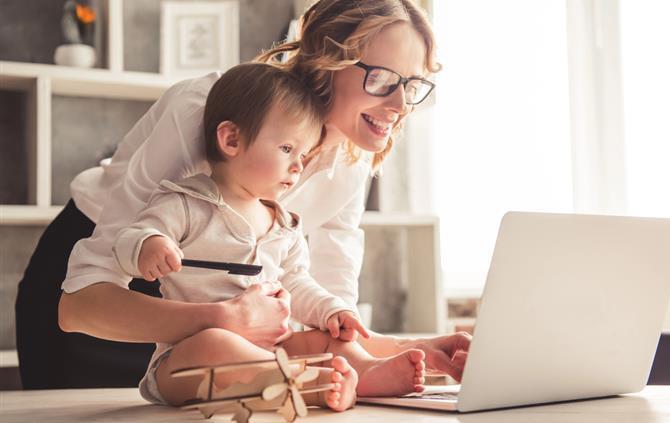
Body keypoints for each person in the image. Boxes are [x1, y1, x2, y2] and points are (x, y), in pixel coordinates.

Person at [16, 0, 470, 390]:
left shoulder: (351, 159)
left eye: (411, 86)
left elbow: (328, 314)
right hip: (109, 294)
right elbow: (78, 307)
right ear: (326, 58)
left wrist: (408, 351)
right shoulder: (210, 111)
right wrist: (224, 319)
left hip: (224, 334)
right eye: (383, 79)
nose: (399, 106)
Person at [114, 62, 427, 408]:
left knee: (324, 338)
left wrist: (331, 310)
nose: (298, 166)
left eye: (303, 154)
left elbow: (297, 282)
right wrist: (148, 244)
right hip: (186, 360)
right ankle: (305, 384)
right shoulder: (187, 203)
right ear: (231, 139)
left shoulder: (284, 225)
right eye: (287, 149)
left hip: (271, 349)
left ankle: (365, 371)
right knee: (216, 343)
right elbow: (131, 236)